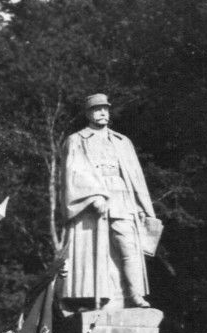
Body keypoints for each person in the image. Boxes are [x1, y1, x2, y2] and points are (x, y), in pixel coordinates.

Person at [58, 93, 159, 309]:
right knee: (97, 252)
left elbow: (134, 176)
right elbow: (73, 172)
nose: (103, 112)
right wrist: (94, 195)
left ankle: (134, 295)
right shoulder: (76, 140)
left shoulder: (123, 141)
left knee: (129, 248)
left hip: (122, 199)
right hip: (93, 202)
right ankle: (101, 298)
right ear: (88, 113)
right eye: (97, 109)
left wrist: (141, 206)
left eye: (105, 108)